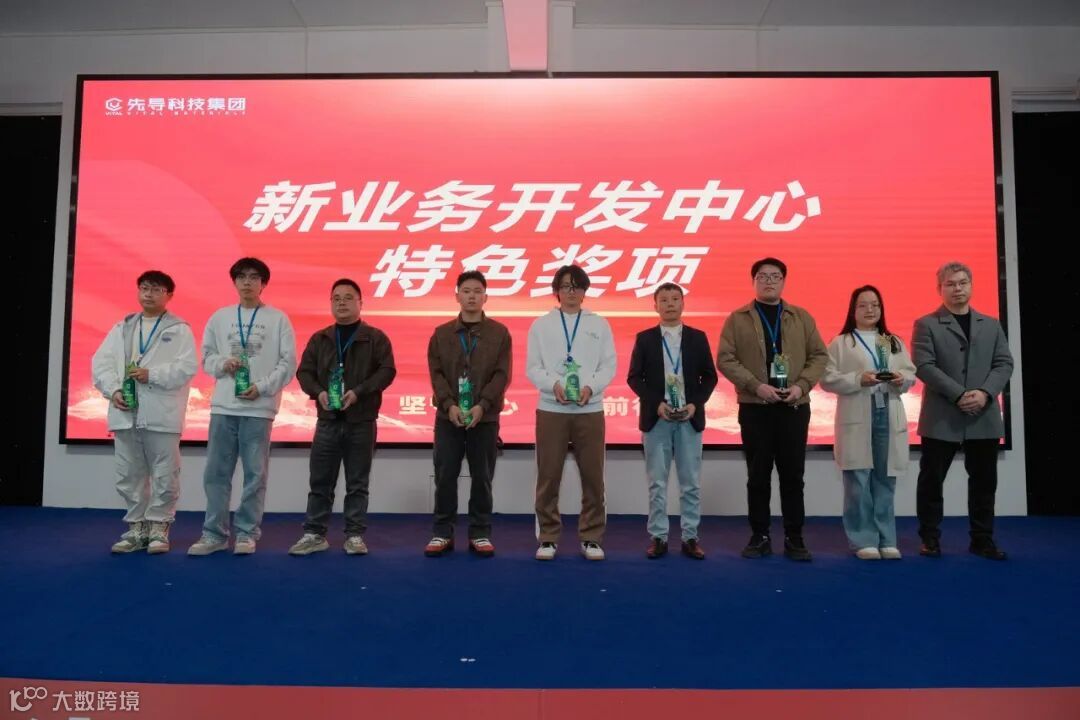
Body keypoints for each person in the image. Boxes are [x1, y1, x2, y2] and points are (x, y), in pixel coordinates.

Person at [717, 257, 828, 561]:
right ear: (753, 282)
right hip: (756, 407)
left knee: (793, 475)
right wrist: (756, 386)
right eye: (763, 276)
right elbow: (725, 358)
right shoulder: (737, 318)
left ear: (783, 281)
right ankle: (760, 535)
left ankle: (795, 537)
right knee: (758, 476)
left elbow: (819, 356)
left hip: (794, 407)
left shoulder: (801, 317)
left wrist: (801, 386)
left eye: (775, 276)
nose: (769, 281)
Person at [188, 257, 297, 556]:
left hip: (259, 408)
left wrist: (261, 387)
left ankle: (247, 533)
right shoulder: (220, 317)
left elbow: (288, 364)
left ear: (264, 283)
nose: (247, 282)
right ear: (234, 282)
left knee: (255, 475)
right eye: (241, 277)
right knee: (216, 474)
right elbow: (207, 357)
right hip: (224, 406)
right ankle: (214, 534)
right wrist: (224, 364)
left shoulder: (278, 319)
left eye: (254, 277)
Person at [912, 261, 1014, 560]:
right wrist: (958, 394)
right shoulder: (926, 324)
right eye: (950, 284)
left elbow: (1004, 363)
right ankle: (930, 538)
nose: (957, 289)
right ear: (939, 289)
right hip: (942, 416)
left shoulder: (991, 324)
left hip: (983, 414)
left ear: (971, 285)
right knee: (931, 481)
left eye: (962, 283)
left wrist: (984, 393)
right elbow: (923, 365)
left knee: (984, 483)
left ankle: (982, 539)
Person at [288, 279, 396, 557]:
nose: (342, 303)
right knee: (320, 481)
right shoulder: (321, 338)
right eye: (336, 298)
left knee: (357, 483)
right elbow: (304, 372)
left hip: (362, 420)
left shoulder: (375, 338)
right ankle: (315, 534)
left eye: (348, 298)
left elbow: (387, 371)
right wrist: (319, 392)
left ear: (361, 303)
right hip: (327, 420)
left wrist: (359, 392)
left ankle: (355, 535)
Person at [92, 270, 197, 554]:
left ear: (169, 295)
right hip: (125, 412)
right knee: (128, 474)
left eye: (156, 289)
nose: (149, 294)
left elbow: (187, 368)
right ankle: (136, 527)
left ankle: (159, 526)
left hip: (162, 415)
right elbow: (101, 364)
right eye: (144, 288)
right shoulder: (122, 327)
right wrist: (114, 390)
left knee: (165, 474)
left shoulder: (179, 329)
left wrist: (153, 374)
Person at [526, 265, 617, 561]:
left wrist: (591, 387)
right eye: (565, 286)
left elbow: (609, 366)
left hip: (590, 409)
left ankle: (591, 537)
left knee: (593, 476)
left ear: (585, 290)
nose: (571, 292)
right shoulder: (541, 325)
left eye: (577, 286)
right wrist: (553, 385)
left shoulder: (599, 324)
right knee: (548, 475)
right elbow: (533, 368)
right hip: (551, 409)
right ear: (556, 291)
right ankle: (548, 537)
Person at [820, 285, 916, 560]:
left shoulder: (894, 341)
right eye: (863, 305)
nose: (870, 310)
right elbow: (826, 378)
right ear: (853, 310)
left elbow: (910, 373)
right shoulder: (841, 343)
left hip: (888, 410)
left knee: (886, 478)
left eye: (875, 304)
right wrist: (857, 379)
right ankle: (863, 539)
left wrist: (901, 379)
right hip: (857, 412)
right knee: (858, 479)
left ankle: (887, 538)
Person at [423, 270, 511, 558]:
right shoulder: (441, 334)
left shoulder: (499, 333)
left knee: (482, 477)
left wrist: (482, 405)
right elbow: (436, 374)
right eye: (466, 291)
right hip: (448, 418)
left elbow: (502, 375)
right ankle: (442, 532)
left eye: (477, 291)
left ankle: (480, 533)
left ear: (486, 297)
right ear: (457, 296)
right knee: (445, 475)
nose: (472, 296)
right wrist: (449, 405)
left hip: (484, 418)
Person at [627, 282, 717, 559]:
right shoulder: (645, 338)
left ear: (682, 303)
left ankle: (690, 537)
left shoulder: (697, 337)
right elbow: (634, 377)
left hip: (689, 417)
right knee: (657, 483)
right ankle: (658, 537)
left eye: (675, 299)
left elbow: (709, 377)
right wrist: (657, 404)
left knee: (691, 483)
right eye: (664, 300)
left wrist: (694, 404)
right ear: (655, 305)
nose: (669, 304)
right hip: (658, 419)